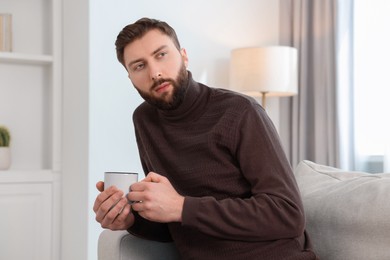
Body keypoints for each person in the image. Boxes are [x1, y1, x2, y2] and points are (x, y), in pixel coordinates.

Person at [93, 17, 318, 260]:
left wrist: (181, 206)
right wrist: (130, 219)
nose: (155, 72)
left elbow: (287, 215)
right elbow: (176, 224)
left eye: (161, 55)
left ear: (184, 56)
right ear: (130, 77)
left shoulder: (240, 112)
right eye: (139, 66)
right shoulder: (145, 120)